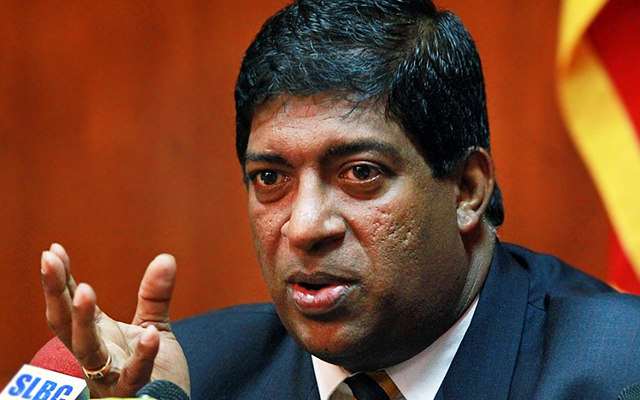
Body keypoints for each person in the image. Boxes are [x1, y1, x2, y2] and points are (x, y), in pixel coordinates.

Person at [39, 0, 640, 399]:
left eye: (360, 173)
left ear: (467, 189)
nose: (304, 227)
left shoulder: (622, 367)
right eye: (270, 178)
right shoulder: (170, 375)